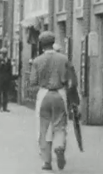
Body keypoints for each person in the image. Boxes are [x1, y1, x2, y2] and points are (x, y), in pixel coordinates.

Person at [30, 31, 80, 171]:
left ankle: (46, 162)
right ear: (53, 43)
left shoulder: (37, 61)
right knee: (60, 126)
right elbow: (72, 81)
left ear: (41, 45)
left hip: (44, 94)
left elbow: (32, 82)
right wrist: (73, 100)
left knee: (43, 128)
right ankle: (59, 147)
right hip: (60, 94)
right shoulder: (64, 59)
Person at [0, 47, 13, 112]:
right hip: (0, 79)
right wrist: (1, 64)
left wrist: (10, 78)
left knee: (5, 93)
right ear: (1, 53)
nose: (4, 55)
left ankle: (5, 107)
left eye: (5, 53)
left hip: (6, 79)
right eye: (3, 53)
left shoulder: (8, 60)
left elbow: (10, 69)